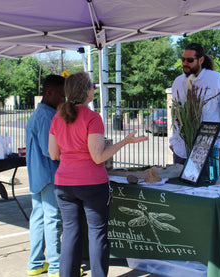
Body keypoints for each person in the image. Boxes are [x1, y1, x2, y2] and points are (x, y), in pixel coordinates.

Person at [48, 71, 148, 277]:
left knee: (70, 233)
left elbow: (53, 154)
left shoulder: (58, 117)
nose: (94, 89)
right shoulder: (92, 118)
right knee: (97, 233)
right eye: (92, 86)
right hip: (92, 184)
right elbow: (98, 157)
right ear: (87, 92)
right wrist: (124, 142)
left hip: (64, 184)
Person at [169, 42, 220, 166]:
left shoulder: (216, 80)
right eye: (183, 59)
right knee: (179, 184)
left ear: (201, 60)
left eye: (189, 60)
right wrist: (174, 141)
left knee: (206, 184)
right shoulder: (178, 82)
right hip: (181, 149)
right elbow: (177, 114)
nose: (185, 63)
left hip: (209, 147)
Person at [26, 75, 65, 276]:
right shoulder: (47, 117)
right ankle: (57, 266)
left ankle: (35, 263)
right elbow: (50, 151)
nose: (64, 100)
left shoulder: (39, 114)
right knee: (53, 219)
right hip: (49, 175)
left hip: (37, 176)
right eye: (61, 96)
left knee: (39, 218)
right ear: (49, 93)